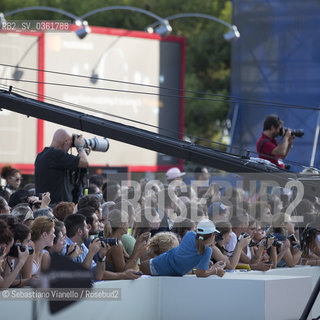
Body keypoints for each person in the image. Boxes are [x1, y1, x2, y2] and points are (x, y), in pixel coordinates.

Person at [140, 219, 226, 277]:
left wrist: (203, 263)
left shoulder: (190, 235)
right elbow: (200, 274)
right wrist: (216, 271)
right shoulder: (207, 251)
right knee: (136, 270)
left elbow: (185, 256)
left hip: (158, 262)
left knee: (136, 269)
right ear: (211, 235)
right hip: (160, 268)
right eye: (214, 234)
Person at [34, 128, 90, 204]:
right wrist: (80, 147)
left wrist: (82, 154)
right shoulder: (57, 154)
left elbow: (79, 164)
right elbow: (85, 162)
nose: (70, 146)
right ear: (66, 141)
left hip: (46, 205)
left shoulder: (41, 155)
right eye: (71, 143)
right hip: (59, 208)